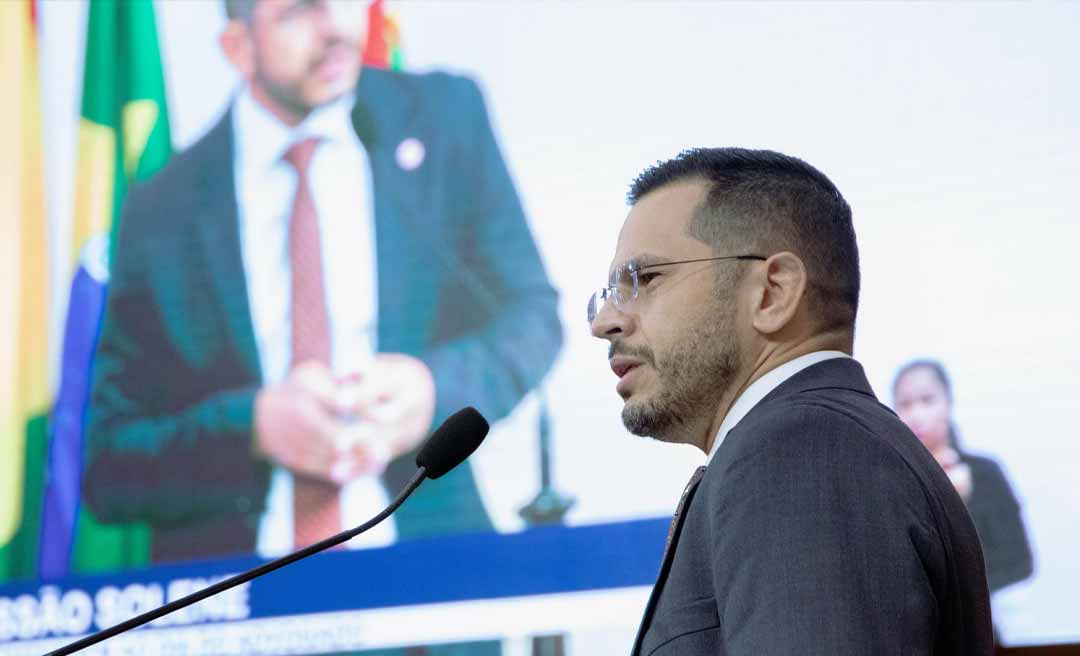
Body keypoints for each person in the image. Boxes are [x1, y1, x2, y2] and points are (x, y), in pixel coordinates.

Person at [82, 0, 559, 583]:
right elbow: (109, 462)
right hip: (239, 601)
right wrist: (255, 427)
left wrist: (432, 390)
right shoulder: (162, 206)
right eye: (298, 12)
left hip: (430, 581)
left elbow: (532, 317)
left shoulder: (441, 120)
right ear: (237, 46)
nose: (335, 27)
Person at [588, 148, 993, 654]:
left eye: (644, 280)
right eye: (608, 292)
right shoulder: (822, 443)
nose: (605, 322)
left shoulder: (799, 448)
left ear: (773, 292)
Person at [893, 359, 1035, 593]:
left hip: (977, 618)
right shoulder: (888, 478)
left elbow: (1019, 562)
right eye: (905, 404)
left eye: (927, 400)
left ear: (948, 402)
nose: (916, 414)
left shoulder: (984, 473)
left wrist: (962, 506)